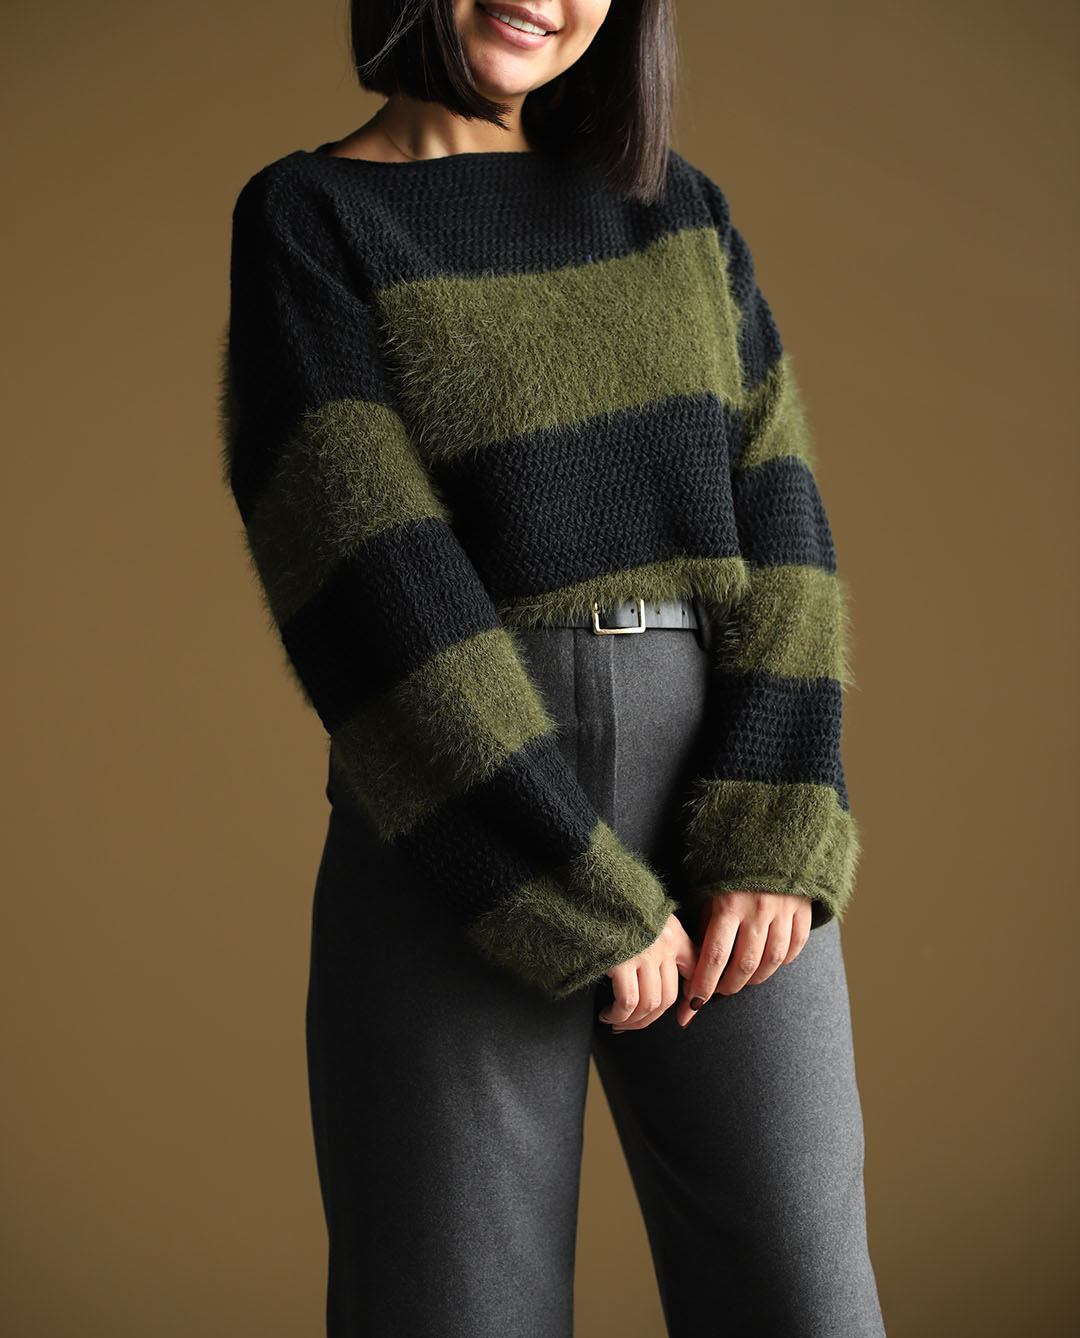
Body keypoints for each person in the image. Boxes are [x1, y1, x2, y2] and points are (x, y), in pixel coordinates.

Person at [218, 1, 888, 1334]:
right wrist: (560, 875)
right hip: (457, 809)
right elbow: (366, 570)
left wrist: (776, 817)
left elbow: (783, 518)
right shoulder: (312, 217)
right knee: (455, 1308)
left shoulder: (678, 210)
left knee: (806, 1302)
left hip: (718, 790)